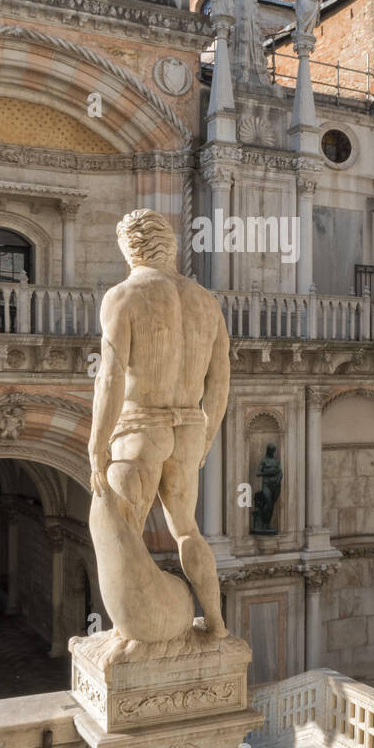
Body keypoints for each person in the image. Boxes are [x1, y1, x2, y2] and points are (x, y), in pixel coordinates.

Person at [89, 209, 230, 636]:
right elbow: (220, 381)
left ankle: (129, 630)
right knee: (187, 530)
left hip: (141, 426)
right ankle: (218, 623)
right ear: (169, 246)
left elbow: (110, 376)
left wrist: (97, 442)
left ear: (130, 247)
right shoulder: (207, 303)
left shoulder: (124, 296)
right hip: (188, 426)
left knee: (119, 527)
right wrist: (207, 434)